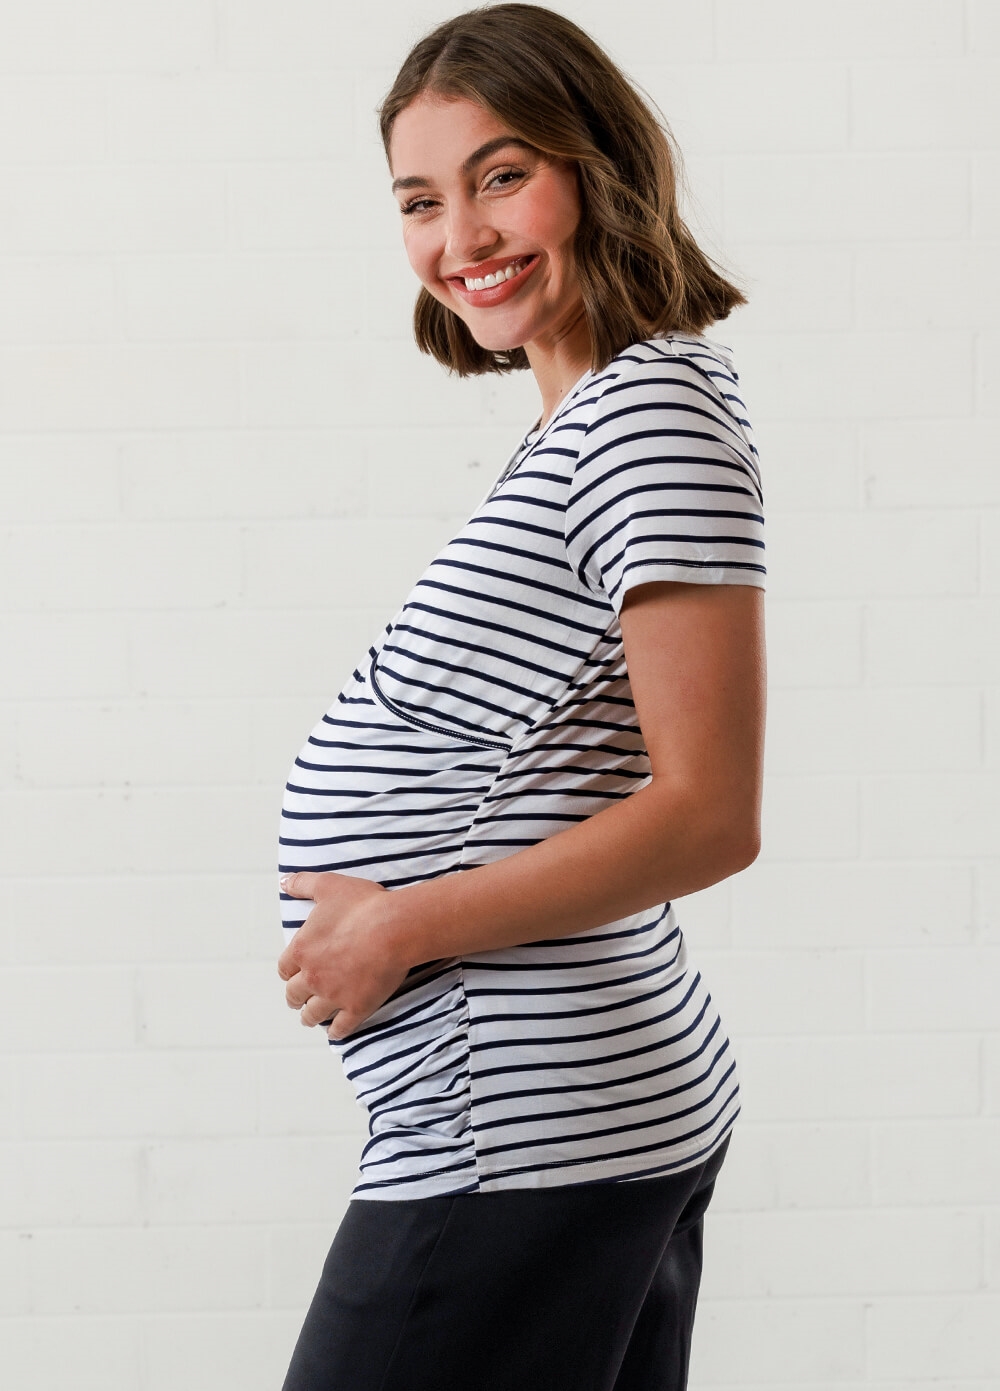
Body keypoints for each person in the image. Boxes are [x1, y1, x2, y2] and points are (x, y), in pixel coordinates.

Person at [276, 5, 766, 1389]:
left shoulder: (648, 417)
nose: (461, 238)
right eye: (421, 201)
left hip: (522, 1128)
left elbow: (711, 814)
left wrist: (400, 926)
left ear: (597, 168)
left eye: (502, 176)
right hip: (552, 1116)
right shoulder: (593, 418)